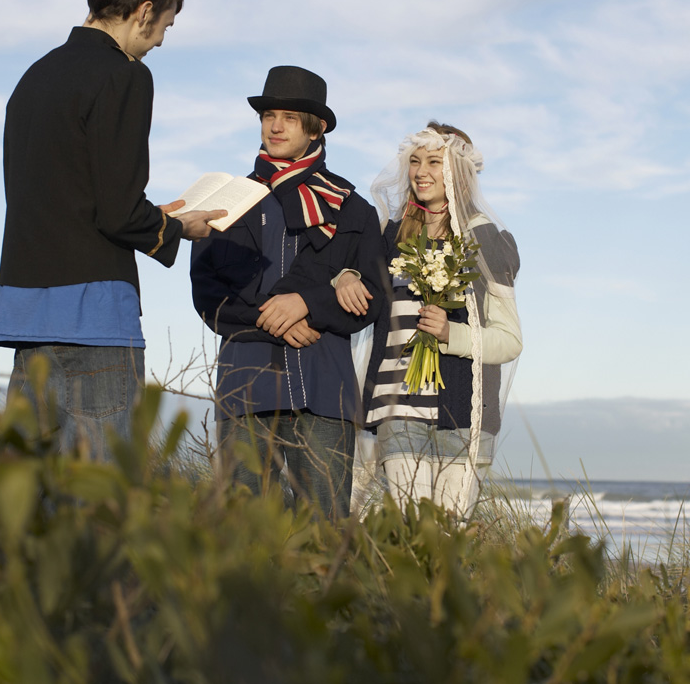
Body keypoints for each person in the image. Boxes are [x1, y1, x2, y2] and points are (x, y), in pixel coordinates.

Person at [0, 0, 224, 459]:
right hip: (93, 317)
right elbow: (116, 210)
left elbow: (67, 195)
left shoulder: (34, 77)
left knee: (30, 493)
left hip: (26, 312)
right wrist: (181, 226)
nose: (159, 41)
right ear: (143, 13)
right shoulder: (125, 76)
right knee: (102, 496)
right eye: (165, 27)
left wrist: (155, 216)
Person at [190, 66, 386, 520]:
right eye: (269, 115)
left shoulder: (353, 208)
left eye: (291, 118)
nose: (275, 126)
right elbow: (207, 294)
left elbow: (375, 297)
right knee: (245, 532)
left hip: (323, 389)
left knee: (325, 532)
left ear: (316, 129)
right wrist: (273, 317)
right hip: (246, 384)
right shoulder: (228, 200)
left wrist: (307, 305)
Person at [337, 122, 521, 518]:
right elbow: (352, 278)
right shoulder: (389, 236)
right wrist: (346, 275)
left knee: (450, 541)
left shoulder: (486, 241)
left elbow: (510, 341)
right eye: (415, 161)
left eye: (434, 162)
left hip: (465, 413)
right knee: (412, 528)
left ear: (459, 171)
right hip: (396, 406)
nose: (421, 172)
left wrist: (450, 334)